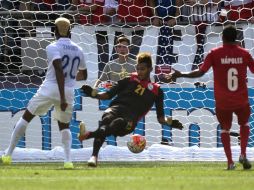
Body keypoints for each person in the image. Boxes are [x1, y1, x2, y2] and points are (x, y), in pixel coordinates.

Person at [0, 17, 87, 169]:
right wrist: (69, 80)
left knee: (26, 117)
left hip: (51, 88)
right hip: (68, 90)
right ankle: (68, 161)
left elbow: (59, 69)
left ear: (55, 31)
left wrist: (60, 94)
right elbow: (84, 75)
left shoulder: (52, 47)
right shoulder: (79, 50)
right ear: (70, 31)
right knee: (64, 125)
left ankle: (8, 155)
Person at [167, 25, 254, 170]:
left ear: (223, 38)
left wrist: (181, 74)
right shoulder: (244, 53)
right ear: (237, 38)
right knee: (244, 124)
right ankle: (243, 153)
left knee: (225, 129)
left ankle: (230, 162)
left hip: (223, 101)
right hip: (241, 99)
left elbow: (200, 72)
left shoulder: (215, 53)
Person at [79, 52, 184, 167]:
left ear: (150, 69)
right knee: (106, 121)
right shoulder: (129, 80)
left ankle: (88, 135)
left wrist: (170, 122)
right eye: (138, 69)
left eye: (142, 69)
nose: (139, 72)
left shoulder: (157, 91)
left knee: (117, 122)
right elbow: (108, 95)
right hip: (115, 108)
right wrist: (94, 94)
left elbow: (160, 118)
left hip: (130, 120)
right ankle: (94, 157)